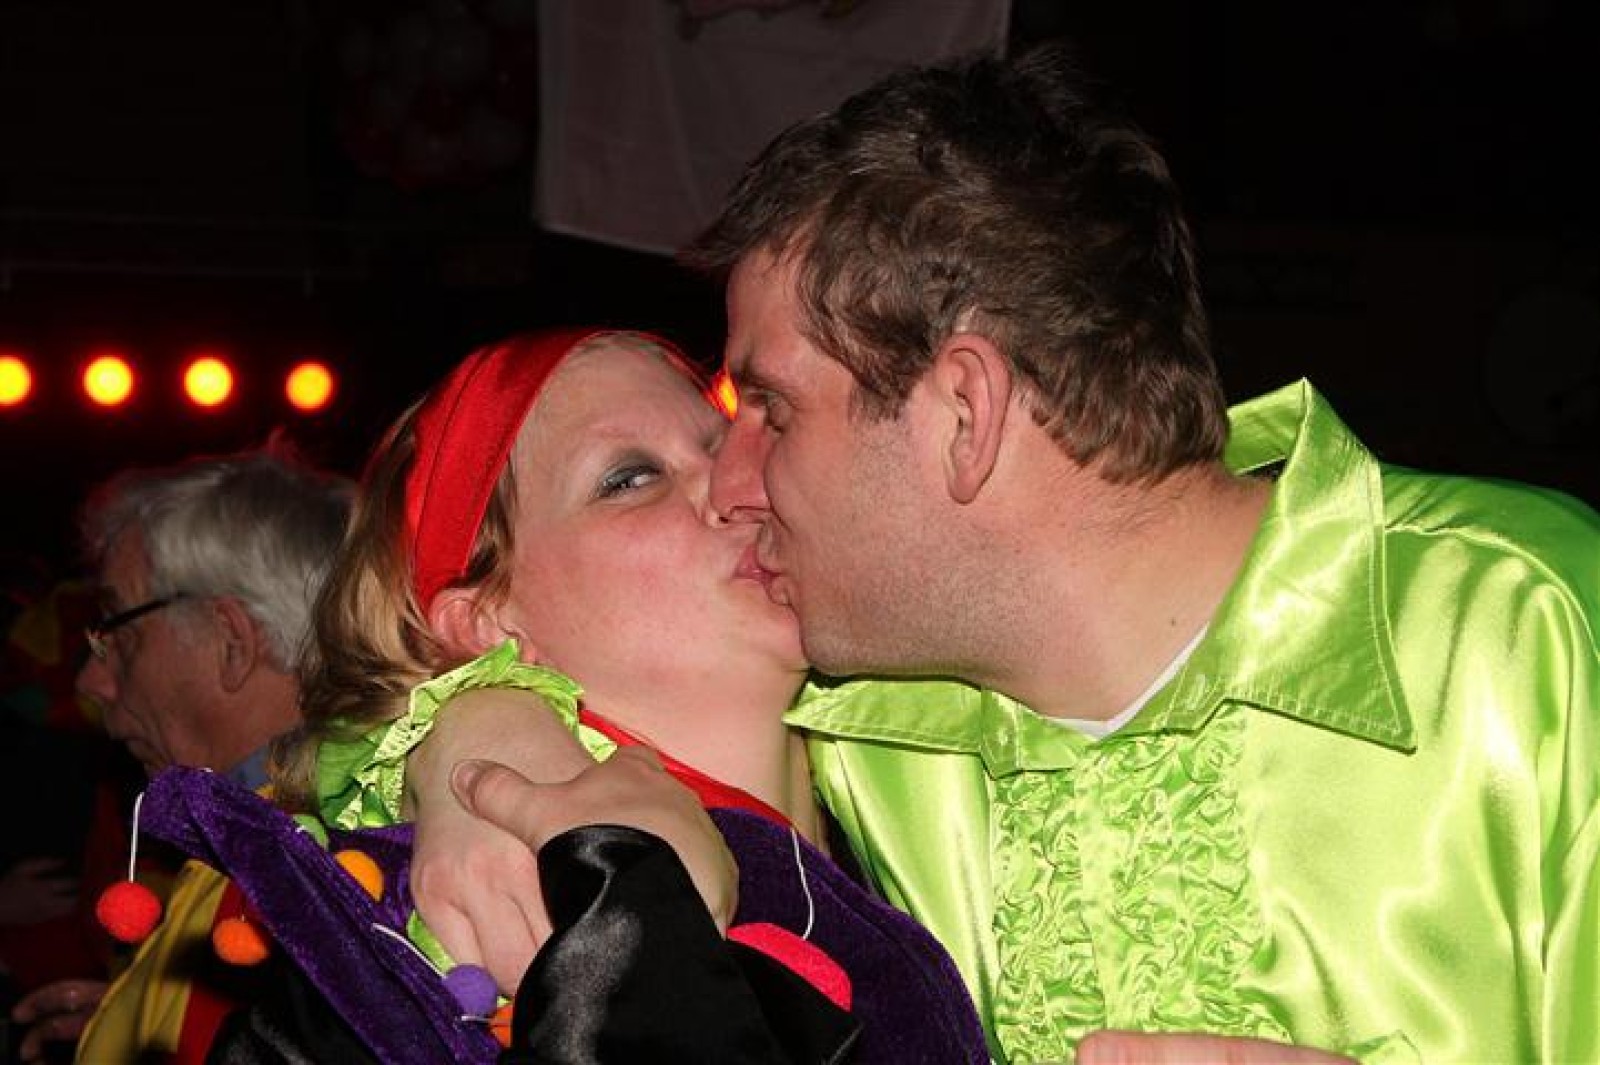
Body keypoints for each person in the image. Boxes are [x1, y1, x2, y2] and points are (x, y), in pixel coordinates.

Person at [434, 42, 1598, 1064]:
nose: (734, 491)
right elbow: (379, 717)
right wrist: (473, 735)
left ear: (963, 412)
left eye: (773, 411)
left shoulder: (1526, 623)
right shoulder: (869, 731)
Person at [141, 329, 985, 1062]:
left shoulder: (951, 794)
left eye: (730, 441)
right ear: (488, 620)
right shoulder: (414, 954)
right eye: (631, 477)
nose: (740, 486)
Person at [8, 445, 352, 1064]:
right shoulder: (262, 842)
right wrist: (137, 1018)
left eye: (117, 634)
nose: (91, 682)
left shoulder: (325, 876)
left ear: (231, 642)